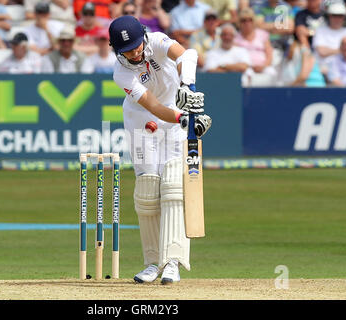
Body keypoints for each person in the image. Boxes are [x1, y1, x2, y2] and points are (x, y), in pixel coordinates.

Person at [108, 16, 212, 284]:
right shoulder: (121, 73)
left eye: (136, 45)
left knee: (174, 186)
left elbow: (187, 54)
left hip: (175, 118)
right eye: (127, 50)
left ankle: (173, 262)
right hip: (142, 122)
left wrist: (187, 85)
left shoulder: (156, 40)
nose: (135, 52)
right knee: (147, 191)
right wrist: (183, 117)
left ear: (143, 35)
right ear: (116, 51)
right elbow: (153, 106)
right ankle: (153, 262)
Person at [234, 8, 276, 83]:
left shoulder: (262, 34)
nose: (247, 23)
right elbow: (235, 57)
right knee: (245, 78)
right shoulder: (235, 38)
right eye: (243, 20)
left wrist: (264, 66)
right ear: (239, 23)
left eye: (250, 20)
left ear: (253, 21)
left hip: (263, 66)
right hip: (245, 68)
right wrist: (248, 67)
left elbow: (269, 54)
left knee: (271, 73)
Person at [313, 2, 346, 71]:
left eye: (340, 16)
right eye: (334, 15)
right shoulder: (321, 31)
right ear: (329, 16)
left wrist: (332, 51)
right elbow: (322, 52)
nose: (337, 18)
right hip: (326, 68)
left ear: (344, 17)